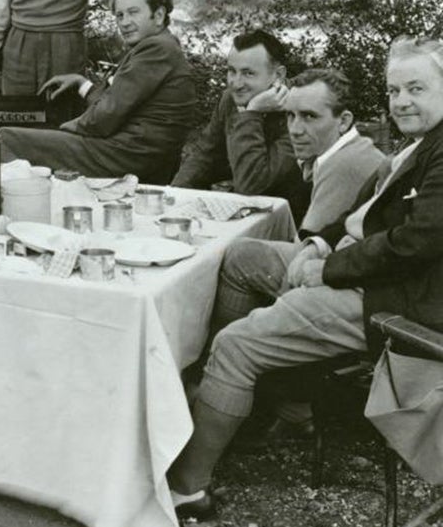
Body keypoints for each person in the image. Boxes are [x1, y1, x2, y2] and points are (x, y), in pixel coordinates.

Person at [168, 36, 443, 520]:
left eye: (416, 88)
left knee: (238, 344)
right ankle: (240, 403)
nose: (401, 101)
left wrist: (328, 269)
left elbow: (415, 243)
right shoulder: (423, 142)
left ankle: (188, 486)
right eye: (395, 90)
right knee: (241, 257)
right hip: (365, 271)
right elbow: (368, 213)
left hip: (392, 301)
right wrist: (319, 243)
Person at [210, 68, 386, 338]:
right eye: (290, 116)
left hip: (358, 294)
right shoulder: (345, 151)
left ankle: (228, 347)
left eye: (309, 117)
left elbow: (305, 257)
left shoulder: (345, 164)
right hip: (353, 271)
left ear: (344, 121)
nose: (295, 129)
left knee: (239, 257)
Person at [0, 0, 195, 182]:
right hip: (139, 153)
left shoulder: (156, 49)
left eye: (133, 12)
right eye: (119, 15)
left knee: (4, 139)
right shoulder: (163, 45)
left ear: (158, 15)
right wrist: (83, 84)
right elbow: (119, 102)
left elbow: (105, 117)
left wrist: (63, 129)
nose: (125, 23)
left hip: (127, 155)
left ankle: (13, 206)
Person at [171, 29, 311, 223]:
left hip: (289, 221)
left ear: (278, 75)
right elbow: (206, 154)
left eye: (248, 73)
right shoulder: (231, 98)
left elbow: (251, 184)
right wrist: (174, 195)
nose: (236, 83)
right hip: (246, 212)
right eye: (231, 71)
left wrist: (250, 113)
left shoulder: (300, 110)